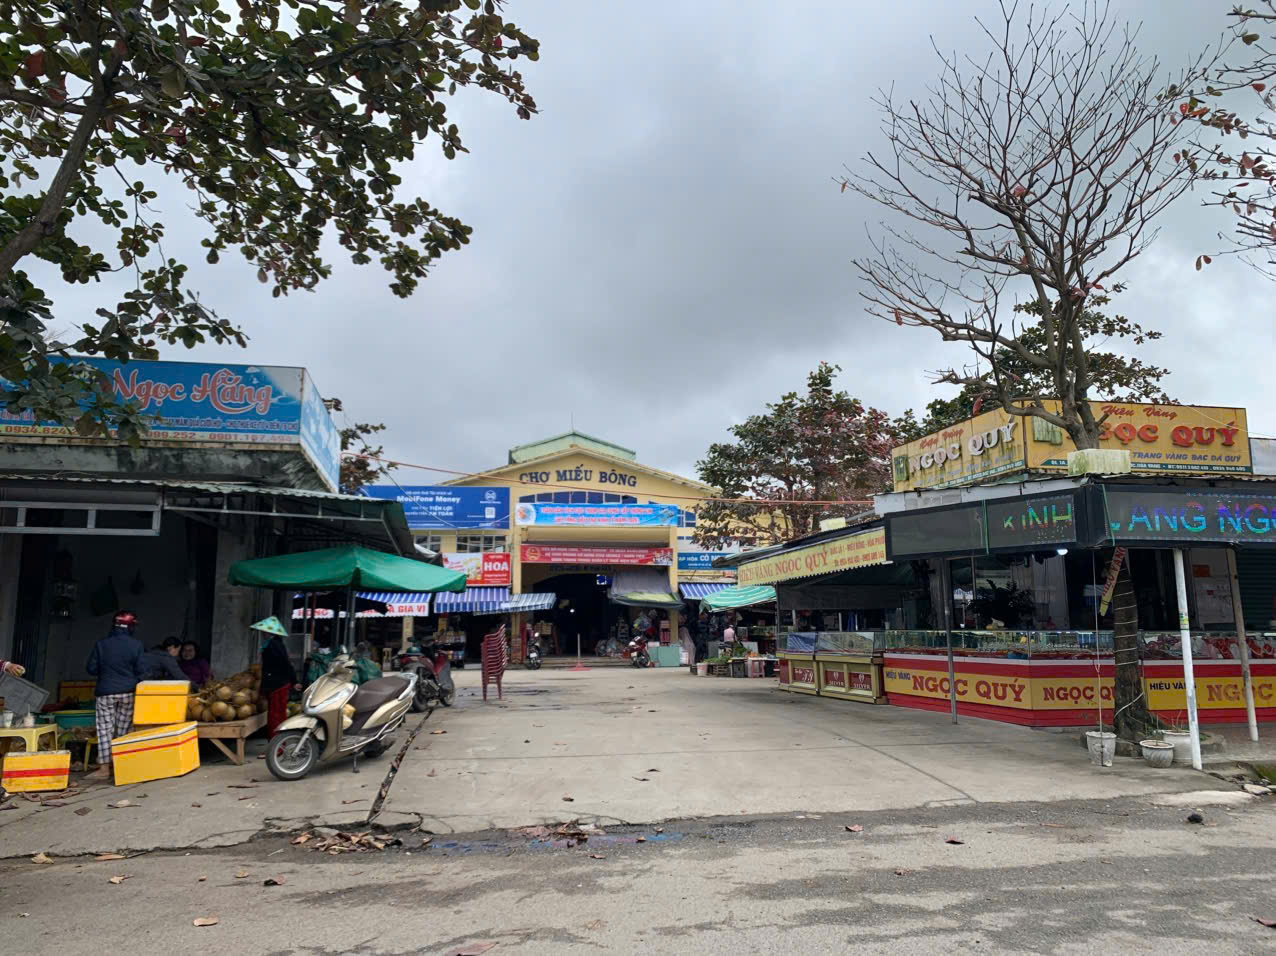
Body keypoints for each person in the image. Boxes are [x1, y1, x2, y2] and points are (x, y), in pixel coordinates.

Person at [85, 610, 146, 780]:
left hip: (105, 692)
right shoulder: (136, 645)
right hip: (128, 692)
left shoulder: (101, 644)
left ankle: (104, 769)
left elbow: (91, 669)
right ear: (131, 627)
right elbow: (142, 670)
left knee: (105, 730)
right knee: (124, 730)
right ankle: (122, 767)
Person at [255, 616, 298, 737]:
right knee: (276, 715)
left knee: (275, 716)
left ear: (270, 632)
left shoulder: (274, 645)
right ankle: (278, 742)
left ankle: (276, 743)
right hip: (277, 684)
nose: (262, 633)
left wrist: (295, 681)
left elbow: (286, 663)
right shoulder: (272, 643)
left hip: (278, 685)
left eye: (264, 631)